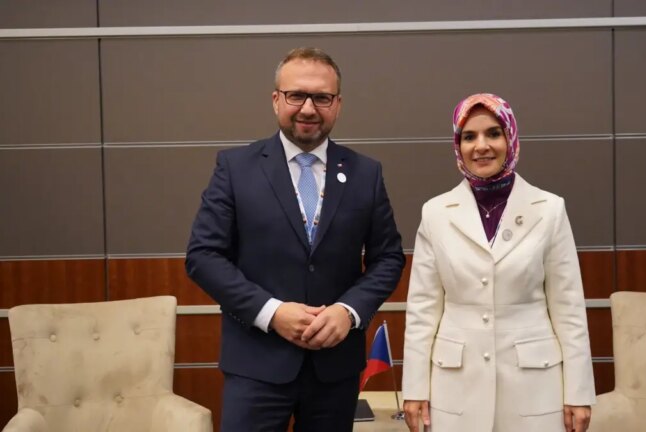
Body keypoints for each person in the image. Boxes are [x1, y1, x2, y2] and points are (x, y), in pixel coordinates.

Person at [186, 47, 405, 432]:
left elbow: (388, 258)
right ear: (276, 100)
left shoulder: (365, 174)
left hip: (334, 368)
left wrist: (348, 312)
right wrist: (272, 313)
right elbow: (203, 256)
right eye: (296, 95)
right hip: (256, 364)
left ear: (337, 104)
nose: (308, 108)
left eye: (321, 98)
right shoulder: (235, 168)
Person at [401, 93, 595, 432]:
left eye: (493, 133)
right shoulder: (435, 213)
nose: (481, 146)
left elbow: (569, 308)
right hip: (455, 386)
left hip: (534, 387)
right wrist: (415, 388)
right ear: (458, 145)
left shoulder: (549, 209)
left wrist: (579, 393)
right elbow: (422, 310)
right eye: (469, 136)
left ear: (511, 137)